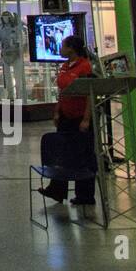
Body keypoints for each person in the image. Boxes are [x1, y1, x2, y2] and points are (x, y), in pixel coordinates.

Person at [38, 35, 96, 206]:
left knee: (82, 156)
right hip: (65, 116)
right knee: (62, 153)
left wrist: (86, 119)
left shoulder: (85, 67)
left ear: (71, 48)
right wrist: (57, 112)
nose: (60, 49)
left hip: (79, 118)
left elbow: (89, 94)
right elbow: (62, 92)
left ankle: (85, 196)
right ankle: (57, 190)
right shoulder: (64, 67)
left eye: (63, 46)